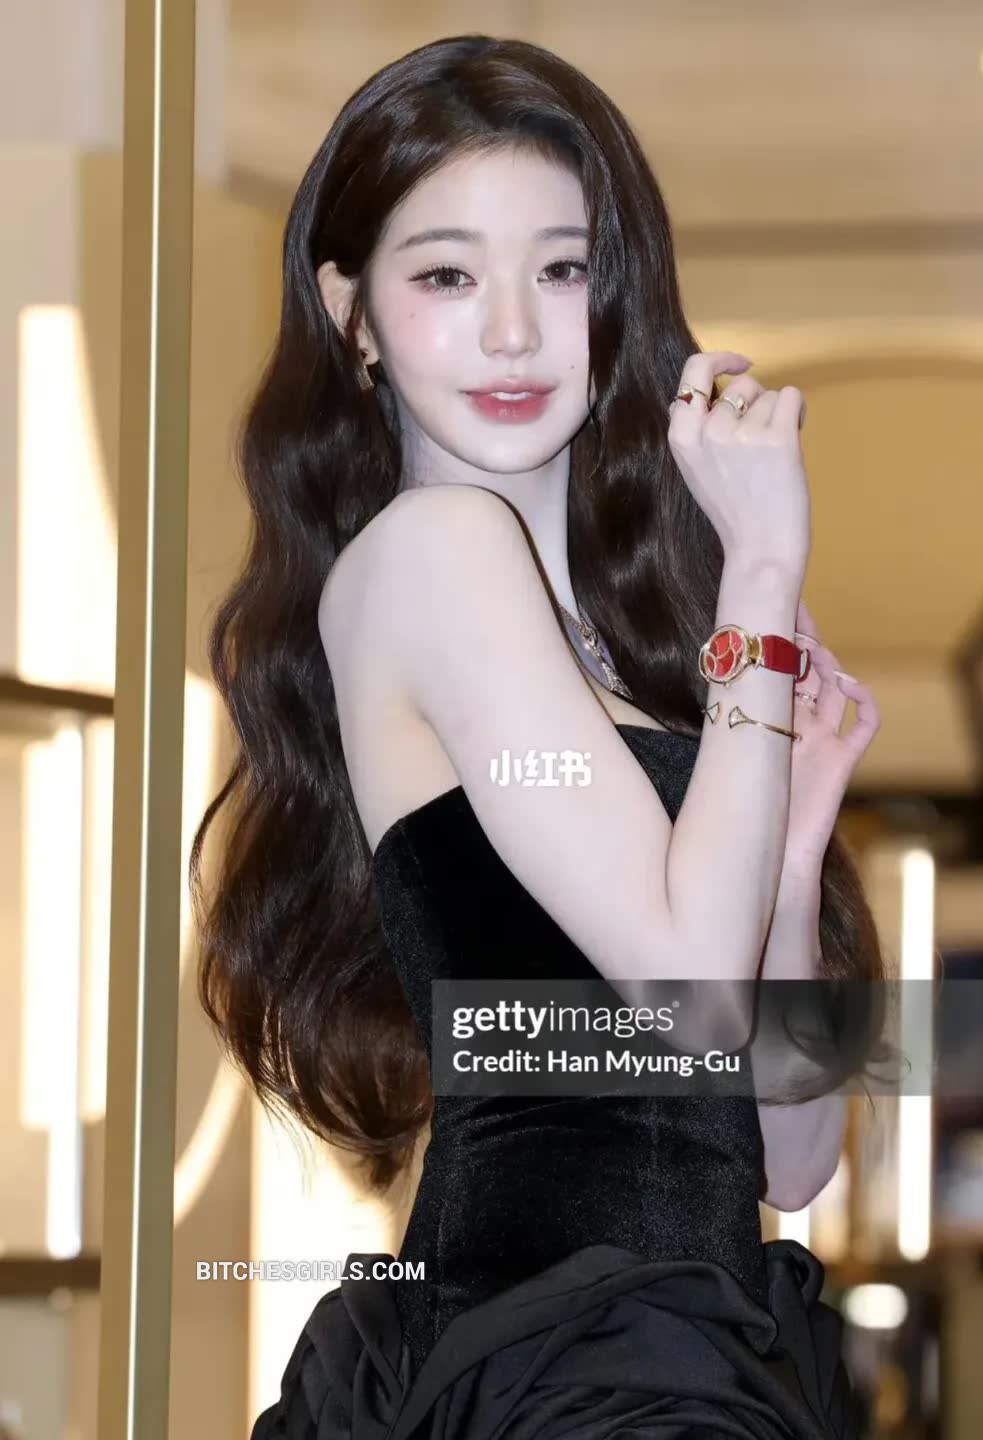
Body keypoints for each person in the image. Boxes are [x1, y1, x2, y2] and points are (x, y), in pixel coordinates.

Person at [189, 32, 888, 1438]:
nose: (513, 332)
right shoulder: (432, 555)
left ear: (616, 297)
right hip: (560, 1357)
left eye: (562, 271)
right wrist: (760, 574)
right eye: (446, 276)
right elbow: (687, 993)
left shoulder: (625, 648)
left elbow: (792, 1151)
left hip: (660, 1347)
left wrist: (793, 832)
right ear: (352, 312)